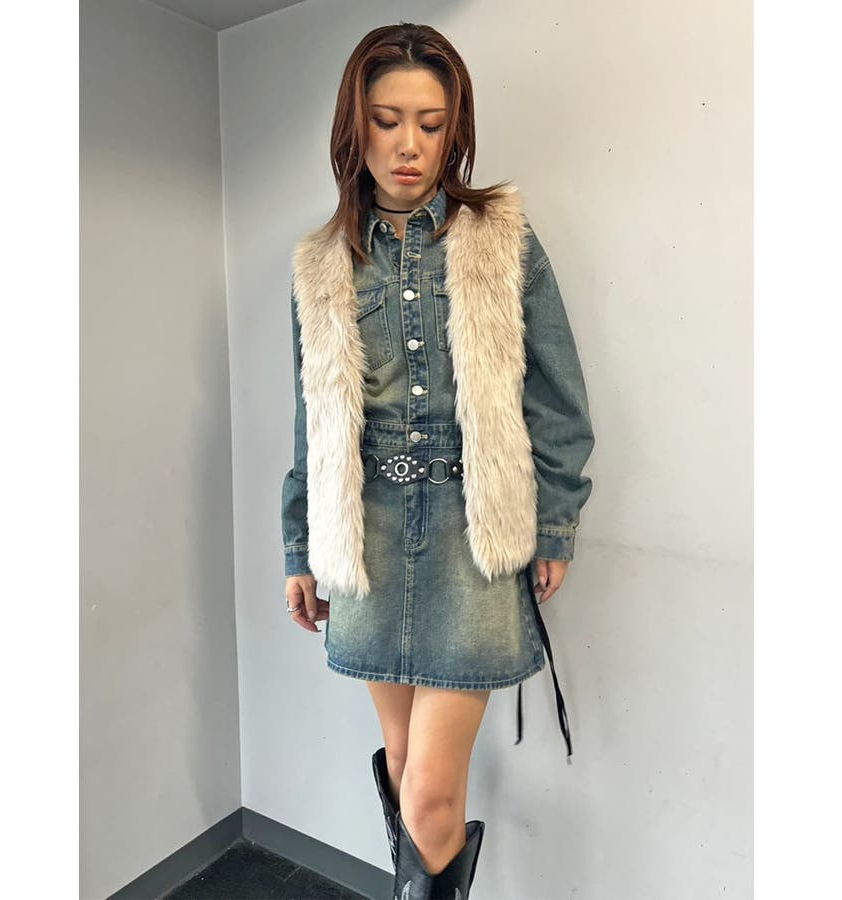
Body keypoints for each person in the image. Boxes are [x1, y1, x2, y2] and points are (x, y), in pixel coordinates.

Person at [280, 22, 594, 900]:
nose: (409, 145)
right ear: (355, 127)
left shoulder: (502, 239)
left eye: (430, 122)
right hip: (368, 537)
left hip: (471, 537)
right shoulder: (320, 263)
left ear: (456, 129)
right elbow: (313, 421)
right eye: (387, 121)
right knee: (403, 761)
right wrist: (301, 546)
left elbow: (558, 398)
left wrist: (554, 522)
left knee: (426, 794)